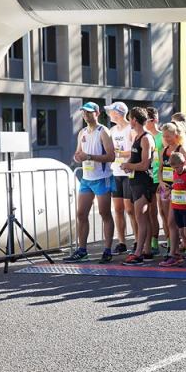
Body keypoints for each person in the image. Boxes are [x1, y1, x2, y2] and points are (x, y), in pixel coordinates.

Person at [66, 102, 116, 264]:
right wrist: (77, 157)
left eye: (89, 112)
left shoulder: (103, 131)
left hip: (102, 177)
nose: (86, 115)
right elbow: (78, 152)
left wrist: (89, 157)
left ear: (97, 113)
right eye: (84, 113)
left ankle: (107, 249)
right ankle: (82, 250)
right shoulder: (82, 132)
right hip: (87, 178)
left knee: (104, 213)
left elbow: (111, 156)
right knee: (81, 214)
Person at [120, 107, 155, 265]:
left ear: (134, 119)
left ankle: (138, 253)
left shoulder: (146, 138)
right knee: (143, 218)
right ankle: (146, 250)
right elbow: (136, 161)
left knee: (141, 218)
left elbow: (145, 164)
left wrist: (129, 166)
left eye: (130, 119)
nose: (129, 122)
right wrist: (128, 165)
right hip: (136, 181)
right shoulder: (137, 136)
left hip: (143, 182)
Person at [160, 152, 186, 267]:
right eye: (174, 168)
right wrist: (168, 192)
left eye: (178, 167)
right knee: (181, 231)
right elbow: (175, 185)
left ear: (183, 163)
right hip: (177, 206)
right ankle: (184, 253)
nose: (176, 170)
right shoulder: (174, 173)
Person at [106, 101, 134, 255]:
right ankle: (122, 242)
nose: (109, 114)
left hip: (129, 173)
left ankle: (137, 240)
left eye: (111, 111)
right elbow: (111, 151)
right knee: (117, 209)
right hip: (116, 172)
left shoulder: (131, 128)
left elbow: (134, 151)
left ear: (118, 113)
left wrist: (118, 153)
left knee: (130, 210)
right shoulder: (112, 130)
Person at [157, 123, 186, 261]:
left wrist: (174, 186)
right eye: (164, 136)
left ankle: (177, 250)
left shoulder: (182, 150)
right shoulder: (163, 150)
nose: (166, 139)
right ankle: (172, 247)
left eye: (168, 136)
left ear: (176, 135)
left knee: (172, 221)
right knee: (166, 218)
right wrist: (161, 182)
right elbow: (160, 169)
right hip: (166, 188)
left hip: (178, 190)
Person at [146, 107, 162, 257]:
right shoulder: (144, 136)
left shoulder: (162, 136)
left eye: (151, 119)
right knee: (151, 212)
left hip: (161, 178)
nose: (149, 122)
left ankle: (170, 243)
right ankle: (153, 242)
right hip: (148, 178)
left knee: (164, 213)